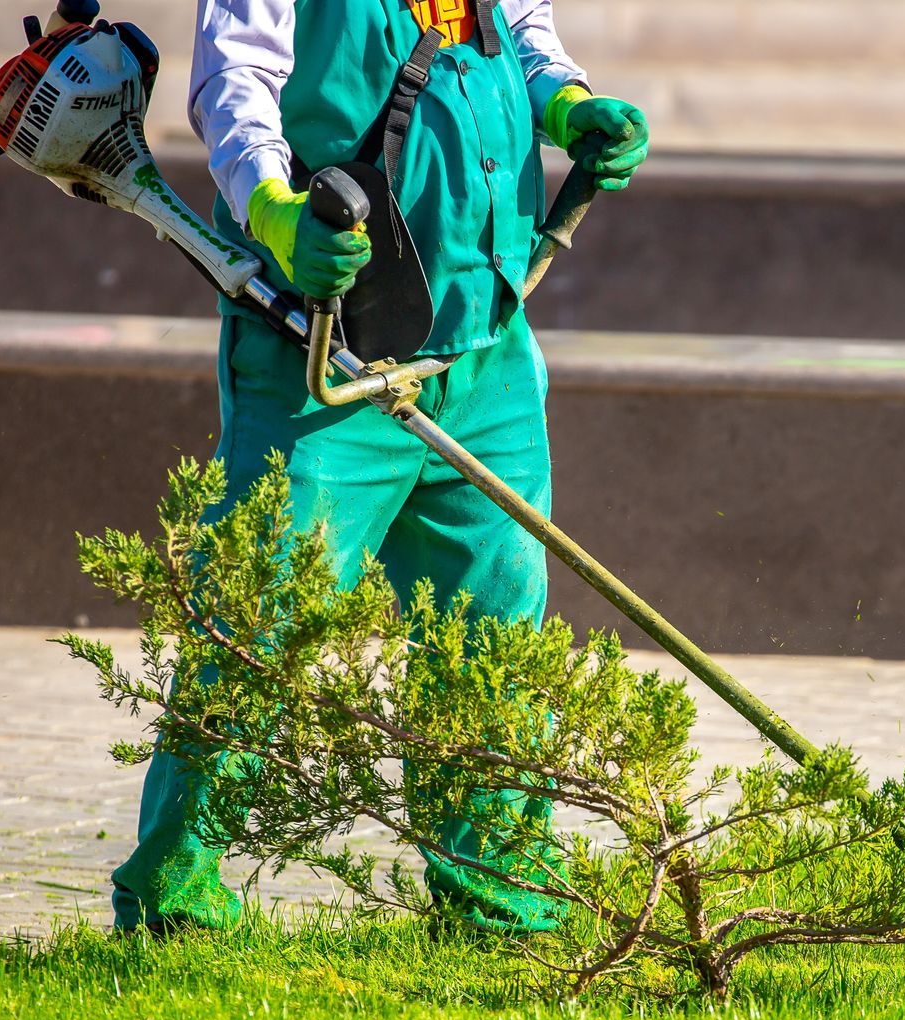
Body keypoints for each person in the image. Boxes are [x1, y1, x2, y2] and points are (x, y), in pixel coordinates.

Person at [110, 0, 648, 936]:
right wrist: (277, 214)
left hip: (484, 351)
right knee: (263, 609)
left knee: (496, 624)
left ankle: (497, 897)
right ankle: (173, 898)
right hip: (322, 352)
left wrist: (569, 106)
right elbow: (235, 82)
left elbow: (524, 34)